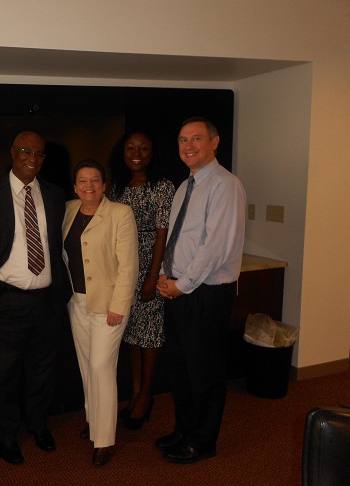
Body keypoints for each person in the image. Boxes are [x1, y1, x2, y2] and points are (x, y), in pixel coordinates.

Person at [0, 131, 72, 465]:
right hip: (2, 302)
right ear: (13, 152)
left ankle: (38, 426)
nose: (33, 157)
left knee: (42, 371)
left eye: (40, 153)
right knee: (1, 375)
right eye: (26, 150)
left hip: (45, 301)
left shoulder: (57, 196)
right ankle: (4, 435)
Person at [156, 117, 246, 464]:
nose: (188, 146)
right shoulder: (185, 186)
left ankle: (203, 441)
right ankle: (184, 431)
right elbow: (179, 239)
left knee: (205, 372)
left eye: (196, 139)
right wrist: (167, 276)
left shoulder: (225, 185)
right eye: (182, 140)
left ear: (215, 142)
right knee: (180, 370)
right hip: (179, 291)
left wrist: (182, 285)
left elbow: (214, 247)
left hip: (205, 294)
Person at [63, 158, 138, 466]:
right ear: (75, 186)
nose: (89, 186)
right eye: (82, 180)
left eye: (95, 180)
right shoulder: (68, 210)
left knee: (100, 367)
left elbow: (129, 265)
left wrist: (119, 306)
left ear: (104, 185)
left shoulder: (120, 213)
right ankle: (94, 422)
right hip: (77, 302)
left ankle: (104, 440)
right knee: (86, 366)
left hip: (108, 306)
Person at [108, 129, 175, 430]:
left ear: (152, 153)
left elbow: (162, 235)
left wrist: (151, 277)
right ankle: (135, 392)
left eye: (144, 149)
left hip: (149, 266)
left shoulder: (162, 187)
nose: (137, 153)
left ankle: (147, 395)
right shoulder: (116, 188)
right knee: (132, 334)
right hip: (123, 269)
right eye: (131, 148)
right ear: (122, 153)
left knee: (149, 335)